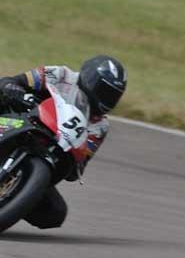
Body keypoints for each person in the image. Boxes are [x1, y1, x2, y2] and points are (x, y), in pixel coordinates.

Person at [0, 56, 127, 229]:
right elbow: (11, 81)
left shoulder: (100, 127)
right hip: (21, 116)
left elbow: (76, 169)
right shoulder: (60, 74)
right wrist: (15, 90)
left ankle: (9, 201)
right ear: (90, 78)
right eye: (105, 92)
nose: (107, 100)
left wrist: (77, 159)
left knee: (55, 213)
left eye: (113, 96)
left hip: (48, 148)